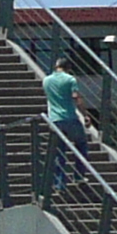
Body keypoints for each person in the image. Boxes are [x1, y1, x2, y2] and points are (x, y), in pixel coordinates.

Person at [42, 58, 91, 198]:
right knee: (81, 145)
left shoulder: (46, 80)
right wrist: (85, 115)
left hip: (55, 120)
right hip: (70, 118)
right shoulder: (70, 79)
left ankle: (60, 184)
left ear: (56, 66)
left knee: (59, 152)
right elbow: (76, 97)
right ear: (68, 67)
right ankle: (79, 175)